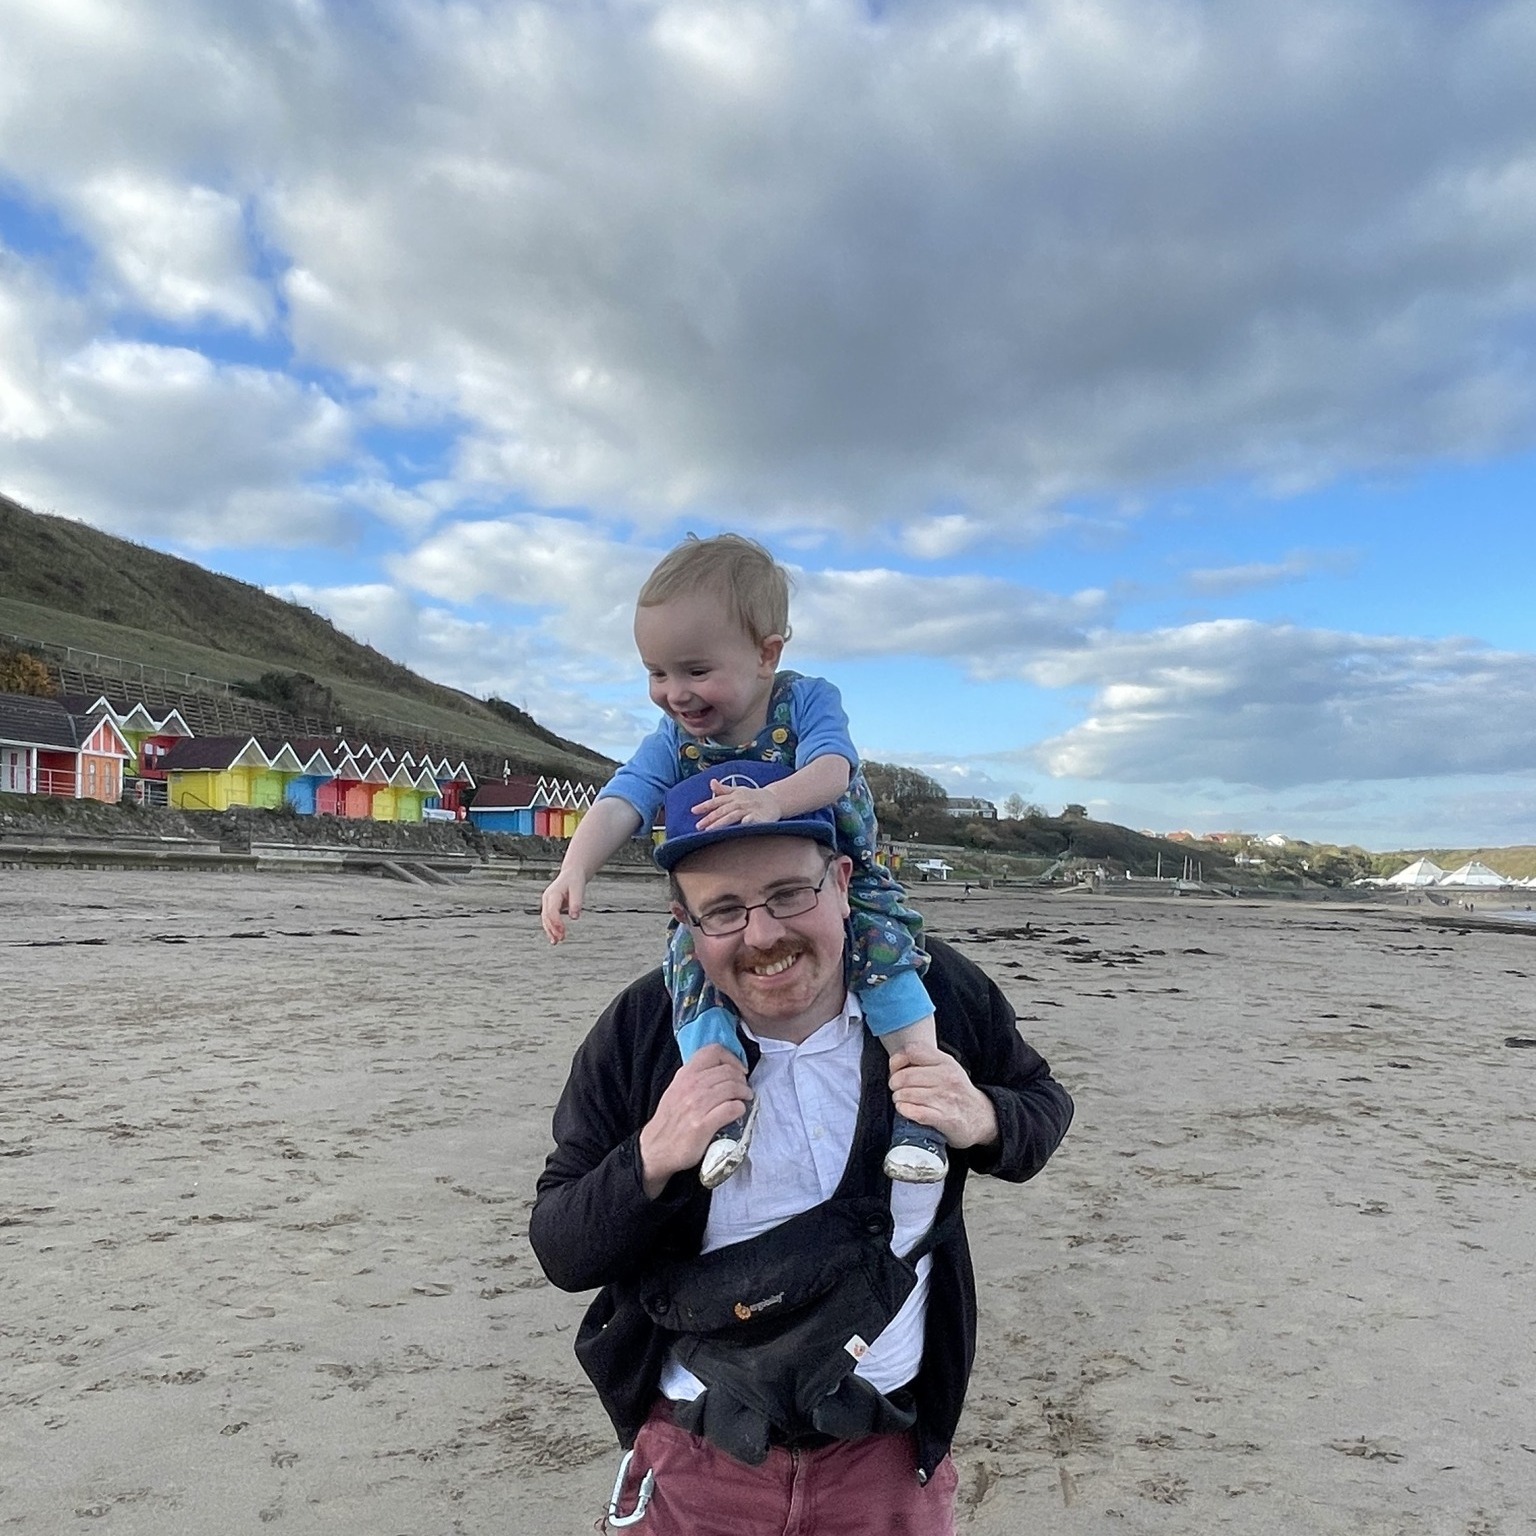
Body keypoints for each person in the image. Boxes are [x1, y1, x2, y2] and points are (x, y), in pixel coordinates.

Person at [529, 764, 1074, 1534]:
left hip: (888, 1456)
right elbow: (562, 1248)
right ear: (684, 924)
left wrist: (984, 1117)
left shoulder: (935, 993)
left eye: (790, 894)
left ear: (843, 882)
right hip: (696, 1457)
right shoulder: (641, 1031)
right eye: (723, 910)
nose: (763, 935)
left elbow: (1043, 1104)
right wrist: (650, 1156)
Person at [540, 533, 949, 1187]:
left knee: (888, 962)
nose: (675, 693)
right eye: (657, 674)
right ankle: (723, 1111)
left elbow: (833, 769)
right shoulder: (674, 738)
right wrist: (574, 868)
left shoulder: (805, 699)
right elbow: (624, 797)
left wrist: (772, 800)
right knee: (690, 976)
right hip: (723, 897)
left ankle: (923, 1110)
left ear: (766, 654)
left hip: (835, 876)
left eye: (695, 671)